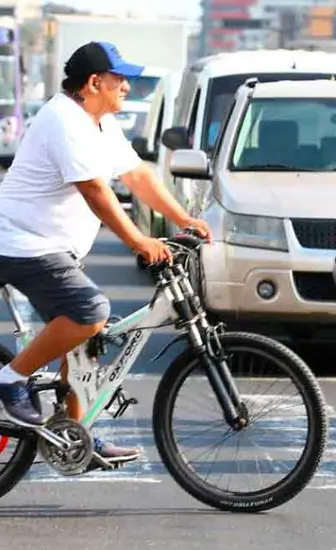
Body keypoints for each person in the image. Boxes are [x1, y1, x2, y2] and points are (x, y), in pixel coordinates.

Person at [0, 41, 211, 469]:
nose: (128, 87)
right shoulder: (64, 119)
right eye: (120, 80)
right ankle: (11, 379)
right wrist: (138, 241)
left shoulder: (98, 122)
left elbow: (137, 175)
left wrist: (183, 219)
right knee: (89, 312)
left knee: (85, 346)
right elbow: (96, 192)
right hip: (21, 244)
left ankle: (75, 441)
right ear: (95, 82)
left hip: (54, 248)